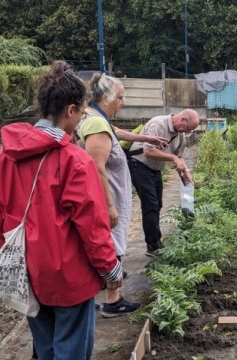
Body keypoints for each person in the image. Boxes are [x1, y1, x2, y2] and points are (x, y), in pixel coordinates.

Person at [0, 60, 123, 360]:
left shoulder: (3, 158)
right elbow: (92, 225)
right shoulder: (75, 160)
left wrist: (17, 258)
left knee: (45, 349)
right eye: (82, 112)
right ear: (70, 110)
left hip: (29, 271)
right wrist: (110, 268)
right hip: (70, 276)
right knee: (72, 350)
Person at [76, 73, 166, 318]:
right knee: (111, 248)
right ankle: (113, 302)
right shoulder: (95, 124)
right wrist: (109, 206)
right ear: (105, 97)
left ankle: (89, 297)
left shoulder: (95, 118)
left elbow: (116, 132)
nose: (122, 103)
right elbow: (97, 166)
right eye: (120, 98)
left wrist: (146, 137)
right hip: (109, 198)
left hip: (111, 196)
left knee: (104, 248)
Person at [128, 110, 200, 256]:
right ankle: (153, 245)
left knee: (157, 204)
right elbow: (148, 152)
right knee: (151, 205)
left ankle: (155, 242)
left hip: (155, 169)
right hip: (139, 165)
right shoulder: (158, 124)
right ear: (183, 120)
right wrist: (173, 159)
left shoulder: (180, 134)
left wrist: (186, 172)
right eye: (189, 128)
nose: (188, 132)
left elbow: (179, 156)